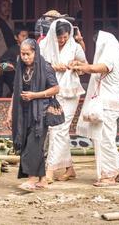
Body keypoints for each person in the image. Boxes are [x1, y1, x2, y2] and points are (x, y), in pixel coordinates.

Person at [73, 31, 119, 187]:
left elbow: (100, 68)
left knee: (104, 140)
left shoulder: (111, 55)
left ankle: (108, 176)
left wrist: (84, 67)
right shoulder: (113, 53)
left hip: (107, 105)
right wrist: (84, 66)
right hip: (105, 104)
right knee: (102, 139)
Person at [8, 39, 59, 191]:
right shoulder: (21, 68)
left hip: (40, 112)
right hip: (23, 113)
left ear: (35, 52)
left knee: (33, 144)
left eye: (28, 54)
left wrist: (35, 95)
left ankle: (31, 180)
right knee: (27, 143)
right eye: (22, 54)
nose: (25, 57)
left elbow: (56, 88)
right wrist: (10, 112)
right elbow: (16, 91)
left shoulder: (45, 67)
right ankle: (42, 180)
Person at [39, 19, 87, 183]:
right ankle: (70, 169)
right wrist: (52, 67)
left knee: (58, 129)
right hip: (50, 92)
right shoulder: (43, 45)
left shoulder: (75, 46)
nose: (62, 40)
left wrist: (76, 65)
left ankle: (50, 170)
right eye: (59, 37)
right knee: (59, 130)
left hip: (71, 93)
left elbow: (84, 67)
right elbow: (36, 65)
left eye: (65, 37)